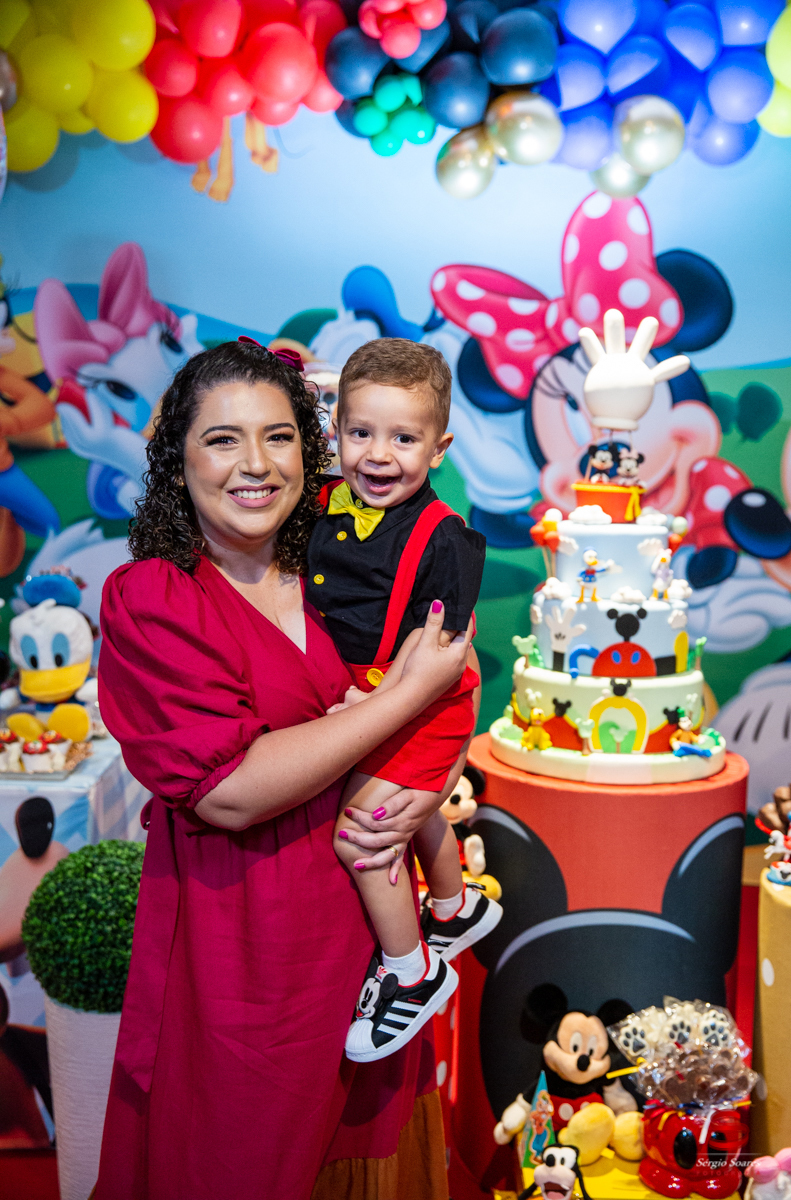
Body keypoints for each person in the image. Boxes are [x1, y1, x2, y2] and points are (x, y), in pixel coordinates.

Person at [94, 339, 473, 1200]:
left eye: (279, 436)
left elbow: (453, 676)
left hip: (371, 942)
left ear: (312, 448)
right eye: (223, 440)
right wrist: (404, 700)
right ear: (178, 460)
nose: (257, 465)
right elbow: (228, 792)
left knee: (367, 1151)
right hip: (243, 949)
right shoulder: (155, 597)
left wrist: (429, 778)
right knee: (237, 1154)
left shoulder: (339, 568)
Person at [306, 339, 502, 1064]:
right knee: (405, 810)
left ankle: (411, 970)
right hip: (373, 694)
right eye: (361, 432)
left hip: (427, 698)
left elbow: (434, 654)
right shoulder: (322, 505)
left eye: (404, 439)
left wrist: (366, 711)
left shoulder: (446, 539)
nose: (378, 455)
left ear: (438, 449)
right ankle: (454, 906)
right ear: (335, 432)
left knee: (364, 833)